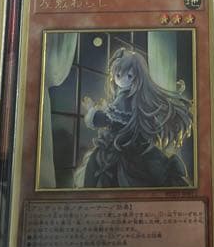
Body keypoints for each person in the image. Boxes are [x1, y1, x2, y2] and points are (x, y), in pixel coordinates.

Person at [77, 48, 193, 188]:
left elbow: (106, 120)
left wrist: (91, 111)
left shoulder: (124, 98)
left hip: (122, 150)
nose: (123, 79)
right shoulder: (133, 97)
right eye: (118, 74)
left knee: (97, 169)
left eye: (129, 76)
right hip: (132, 147)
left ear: (137, 77)